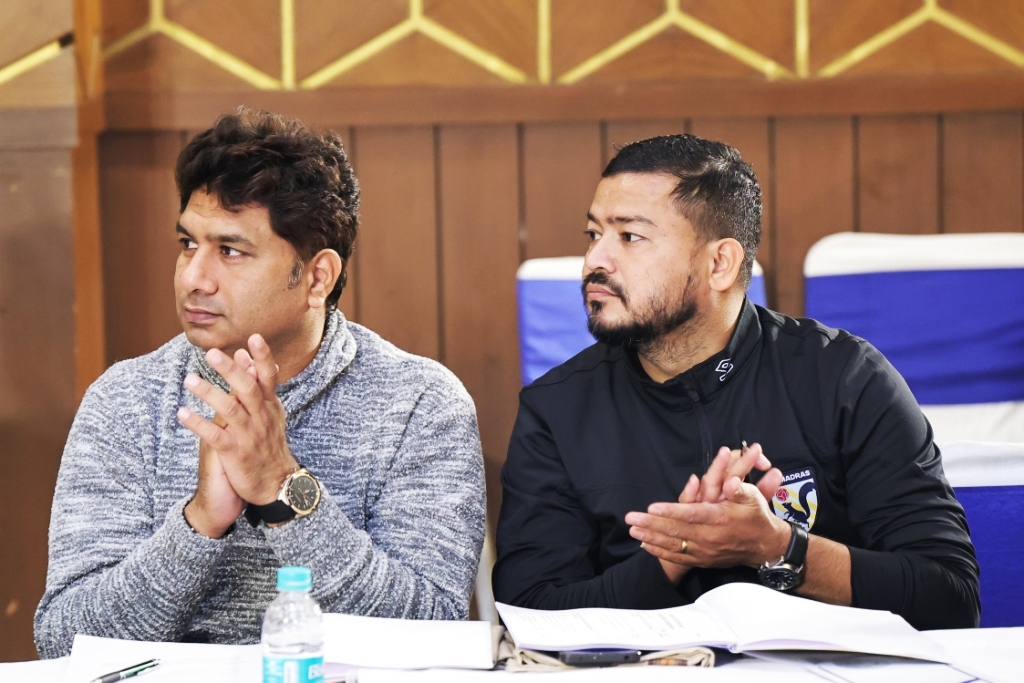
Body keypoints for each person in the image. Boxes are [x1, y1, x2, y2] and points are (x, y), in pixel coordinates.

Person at [35, 108, 486, 658]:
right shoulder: (125, 399)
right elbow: (63, 639)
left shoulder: (420, 404)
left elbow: (431, 630)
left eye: (230, 251)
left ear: (317, 277)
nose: (193, 277)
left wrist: (282, 488)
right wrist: (200, 523)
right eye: (187, 244)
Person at [492, 134, 979, 630]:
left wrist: (780, 547)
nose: (595, 260)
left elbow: (950, 596)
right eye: (593, 233)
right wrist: (674, 556)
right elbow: (528, 611)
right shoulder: (557, 409)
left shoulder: (844, 377)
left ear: (719, 264)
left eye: (629, 237)